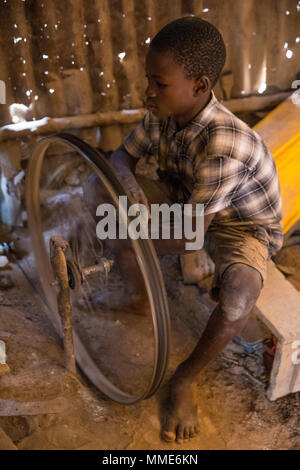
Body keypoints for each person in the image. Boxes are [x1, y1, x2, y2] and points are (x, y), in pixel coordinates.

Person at [85, 16, 283, 443]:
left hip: (238, 227)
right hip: (187, 200)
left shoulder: (224, 143)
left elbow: (188, 236)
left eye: (158, 83)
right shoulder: (163, 112)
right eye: (148, 81)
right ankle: (138, 296)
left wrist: (126, 236)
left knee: (239, 293)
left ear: (199, 85)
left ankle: (185, 378)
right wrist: (133, 196)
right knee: (98, 187)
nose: (147, 93)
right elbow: (120, 159)